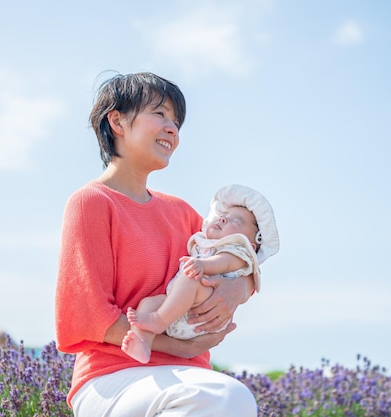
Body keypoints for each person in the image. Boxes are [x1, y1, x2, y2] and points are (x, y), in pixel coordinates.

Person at [55, 72, 260, 417]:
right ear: (117, 120)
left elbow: (243, 253)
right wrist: (180, 347)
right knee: (227, 398)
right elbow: (90, 315)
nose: (172, 129)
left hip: (187, 378)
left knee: (226, 399)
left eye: (177, 122)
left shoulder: (184, 214)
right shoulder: (91, 202)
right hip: (113, 377)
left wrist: (241, 287)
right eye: (160, 114)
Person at [123, 184, 280, 363]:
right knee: (149, 302)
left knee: (192, 280)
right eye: (223, 216)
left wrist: (203, 265)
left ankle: (158, 320)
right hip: (177, 310)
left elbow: (224, 262)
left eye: (235, 221)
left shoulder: (237, 251)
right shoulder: (203, 242)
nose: (222, 220)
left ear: (250, 245)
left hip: (201, 315)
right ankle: (143, 342)